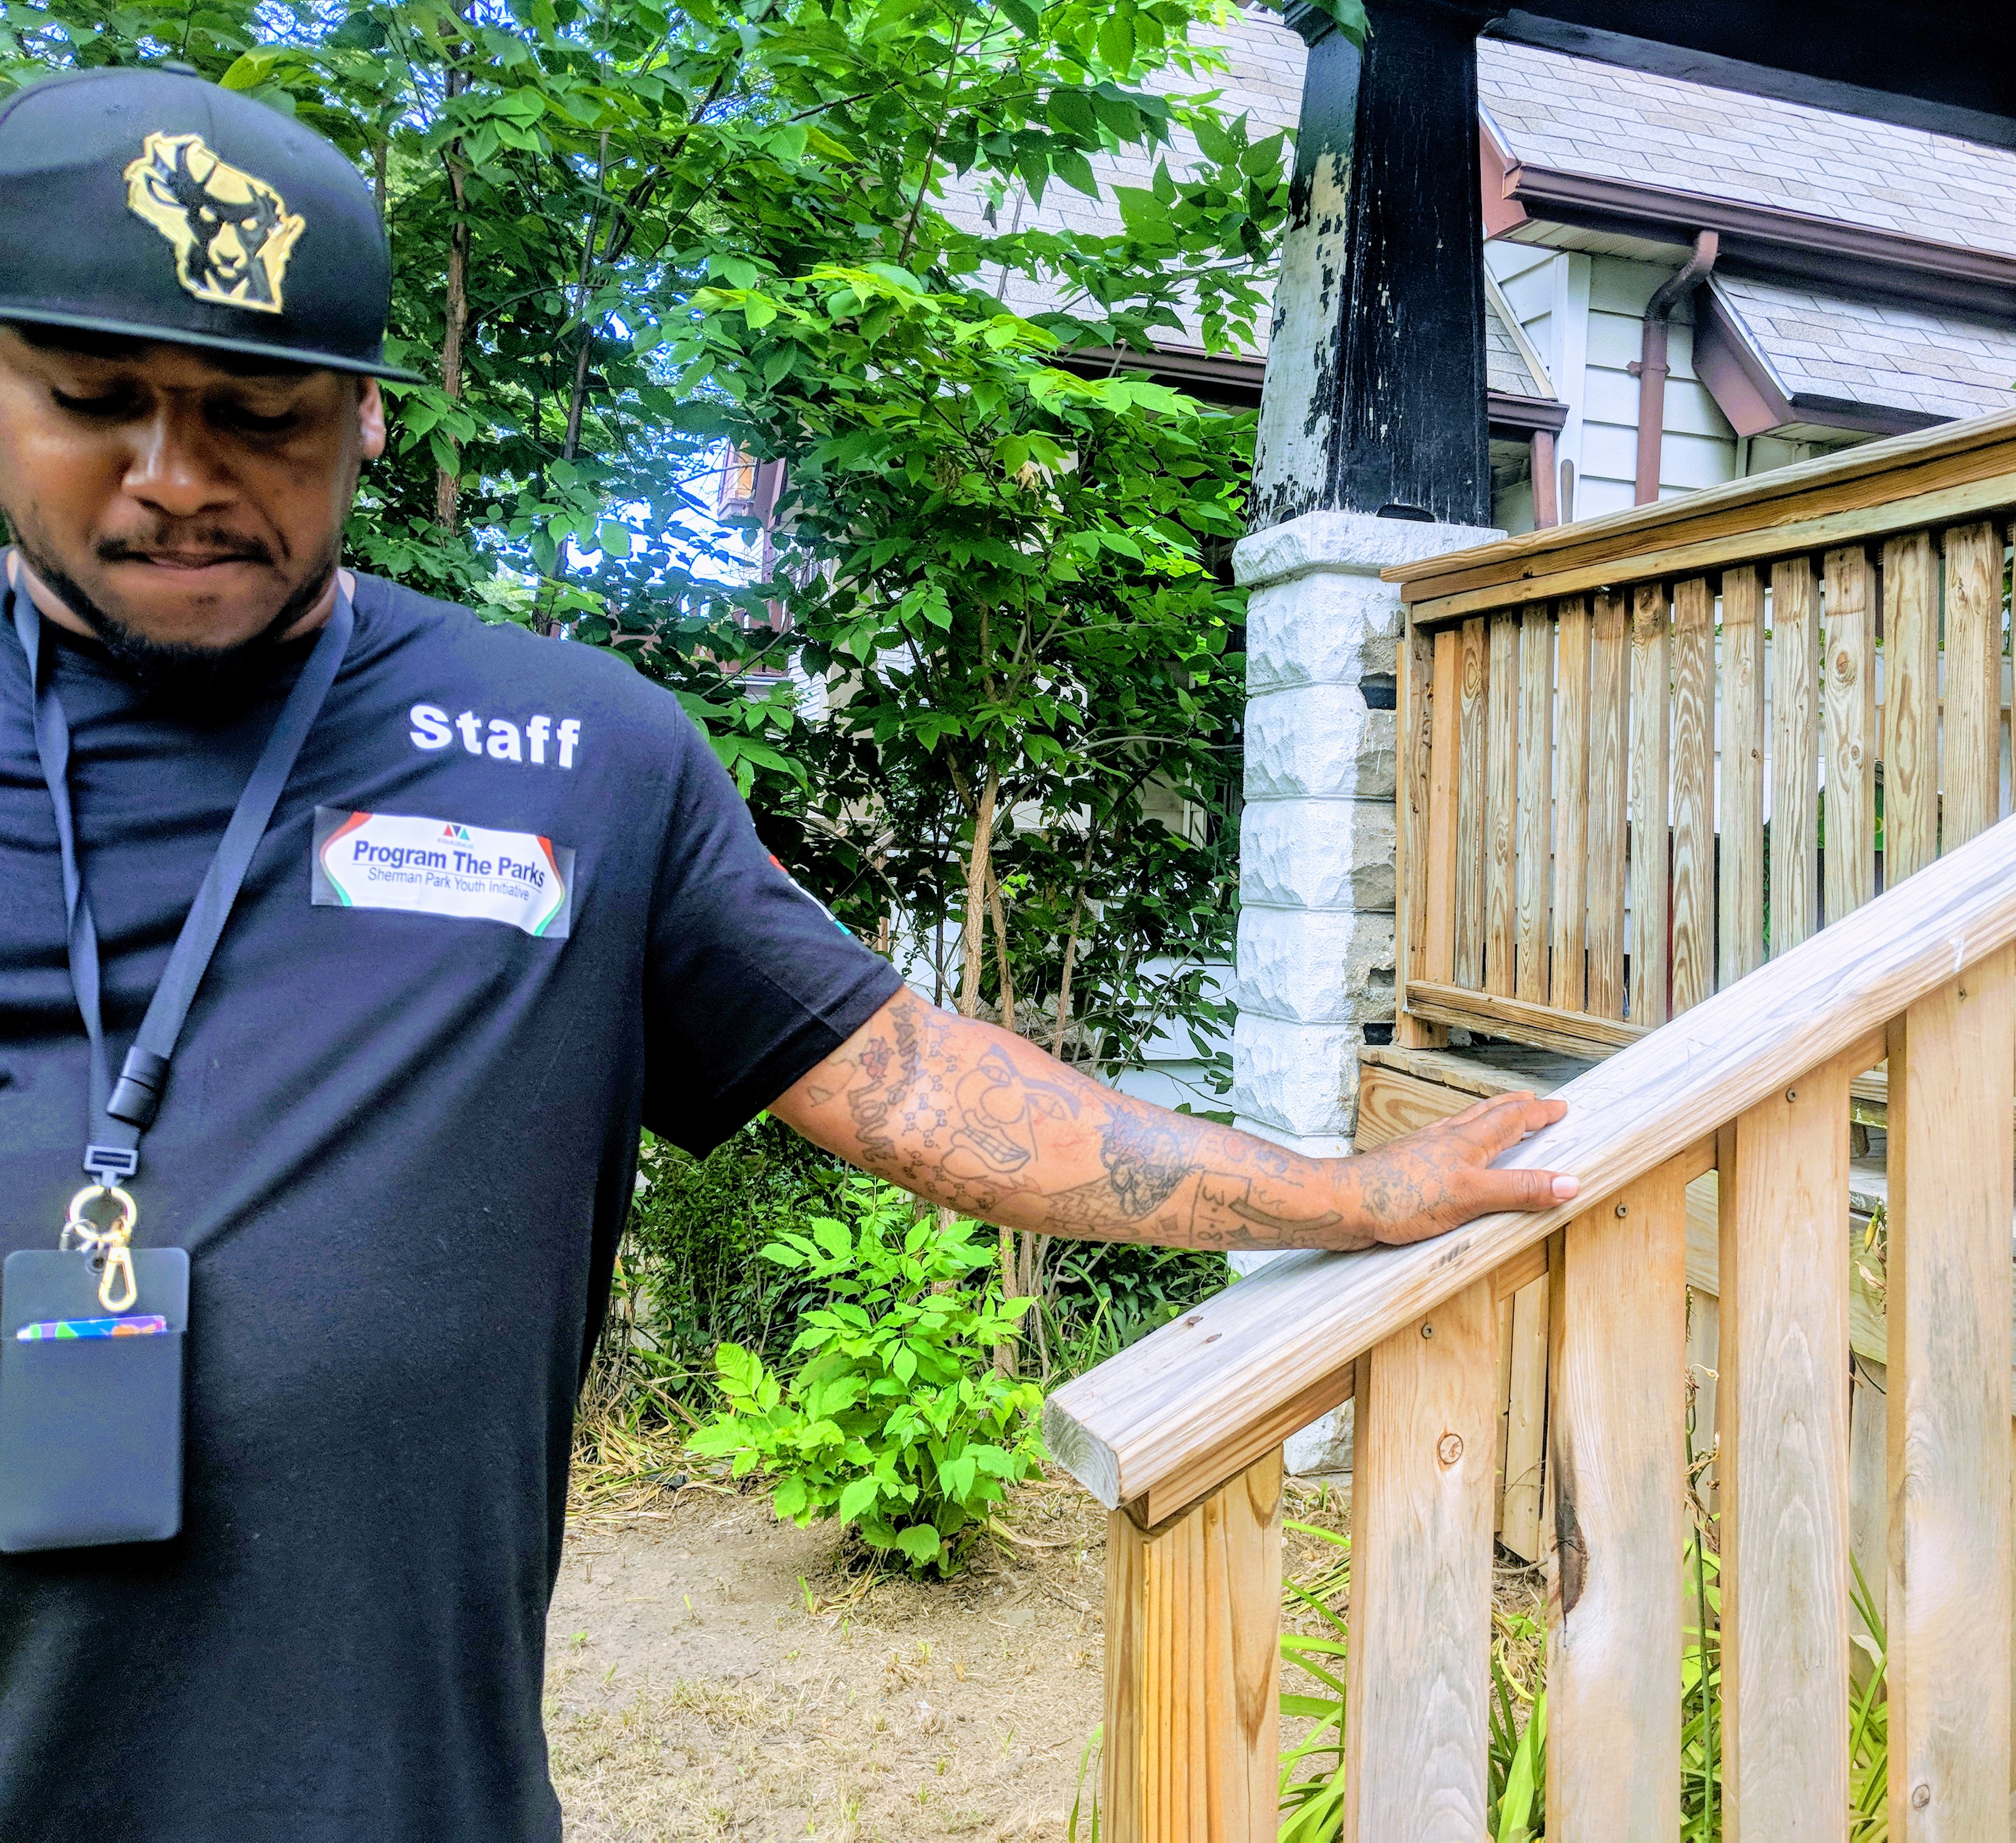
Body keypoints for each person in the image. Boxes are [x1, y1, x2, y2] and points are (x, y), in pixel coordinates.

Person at [0, 65, 1574, 1841]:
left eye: (257, 412)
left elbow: (914, 1086)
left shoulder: (576, 756)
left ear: (367, 415)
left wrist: (1346, 1200)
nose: (174, 475)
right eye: (93, 400)